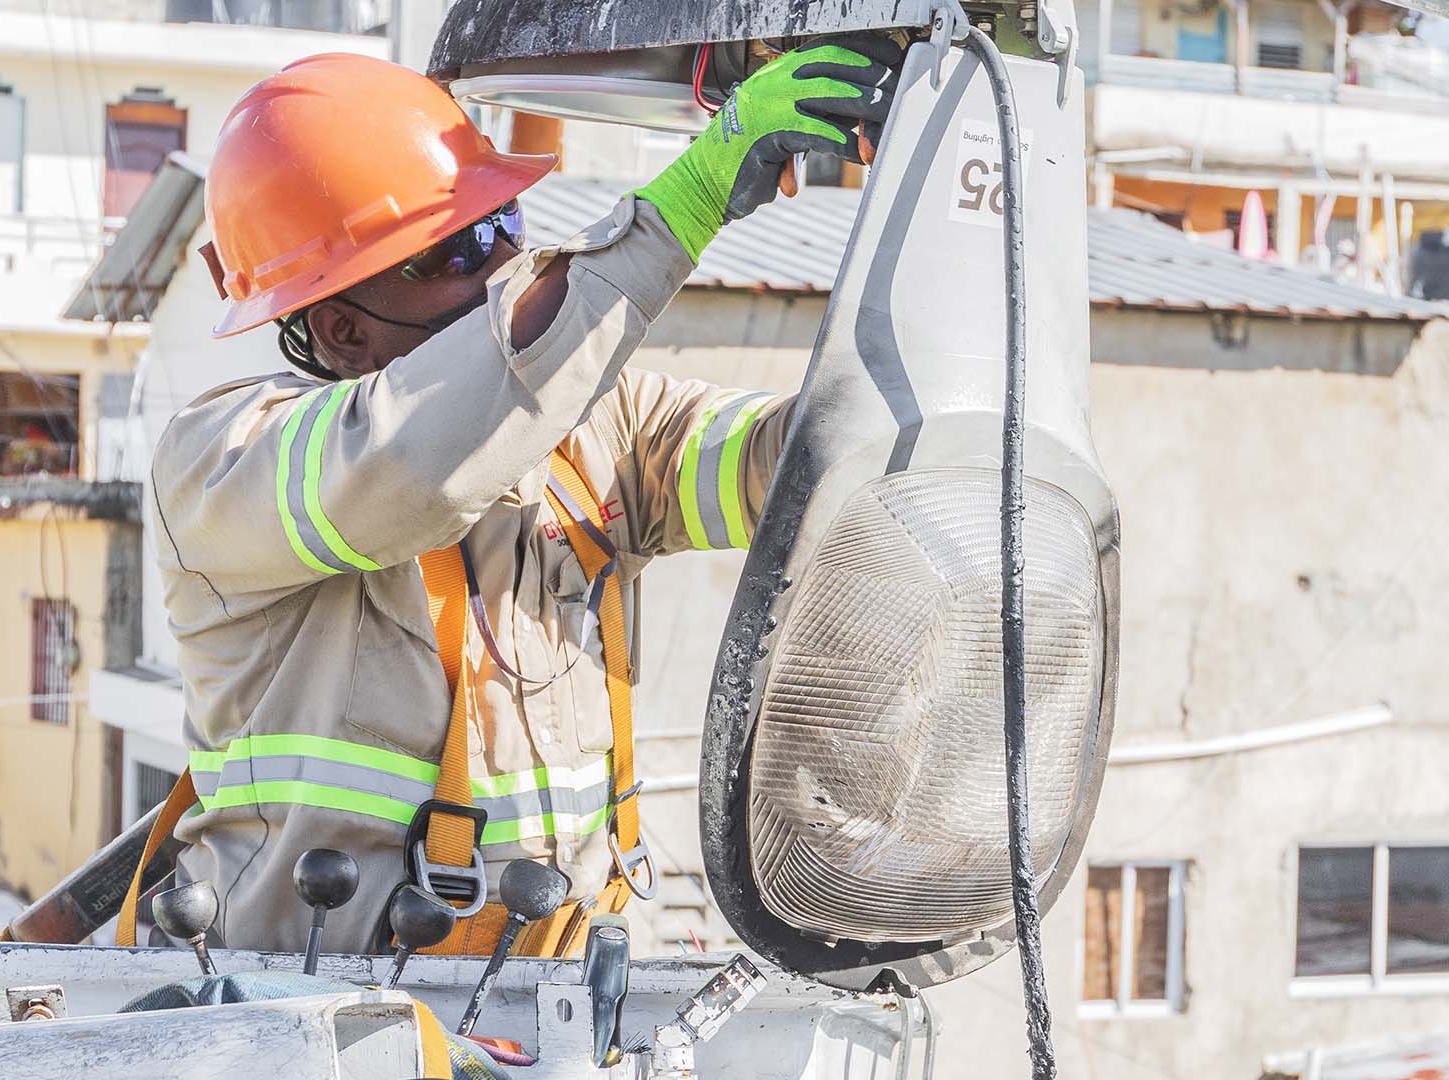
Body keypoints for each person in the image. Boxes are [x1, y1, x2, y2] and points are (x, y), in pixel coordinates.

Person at [146, 45, 902, 955]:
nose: (508, 258)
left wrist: (929, 260)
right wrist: (685, 206)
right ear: (342, 327)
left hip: (558, 1010)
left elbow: (807, 467)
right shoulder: (224, 463)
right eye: (462, 247)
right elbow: (420, 461)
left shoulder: (594, 430)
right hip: (318, 1016)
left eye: (505, 219)